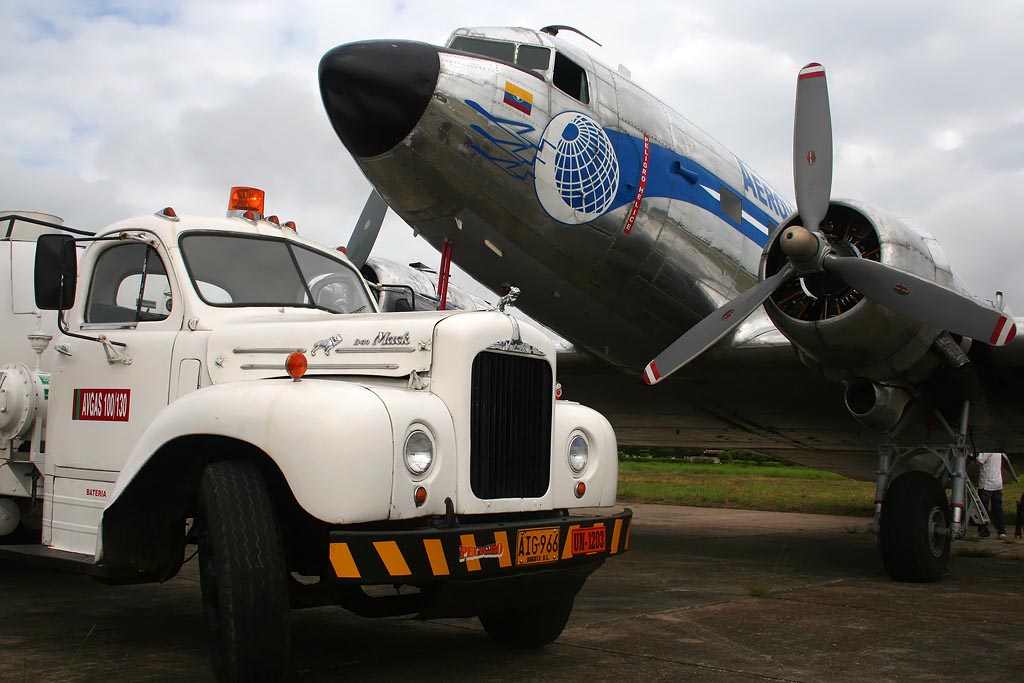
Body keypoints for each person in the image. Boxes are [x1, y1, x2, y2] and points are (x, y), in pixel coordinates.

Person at [976, 452, 1007, 540]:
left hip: (986, 484)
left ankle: (983, 530)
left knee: (983, 509)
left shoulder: (987, 450)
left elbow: (978, 462)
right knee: (997, 508)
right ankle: (1001, 531)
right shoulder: (998, 451)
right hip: (997, 483)